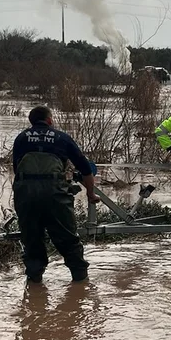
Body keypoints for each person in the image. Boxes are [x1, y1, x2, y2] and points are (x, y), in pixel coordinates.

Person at [12, 106, 100, 283]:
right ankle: (81, 287)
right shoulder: (62, 138)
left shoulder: (21, 138)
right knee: (68, 240)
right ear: (50, 120)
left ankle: (34, 292)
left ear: (32, 121)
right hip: (55, 194)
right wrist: (91, 194)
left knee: (32, 241)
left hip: (26, 194)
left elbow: (17, 169)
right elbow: (85, 170)